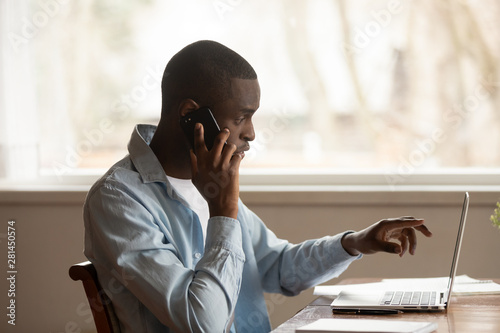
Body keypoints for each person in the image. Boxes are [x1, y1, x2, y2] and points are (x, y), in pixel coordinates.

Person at [83, 40, 432, 333]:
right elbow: (202, 321)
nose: (251, 133)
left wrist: (353, 243)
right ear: (191, 115)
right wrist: (223, 213)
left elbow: (276, 267)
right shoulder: (119, 200)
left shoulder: (207, 182)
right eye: (241, 117)